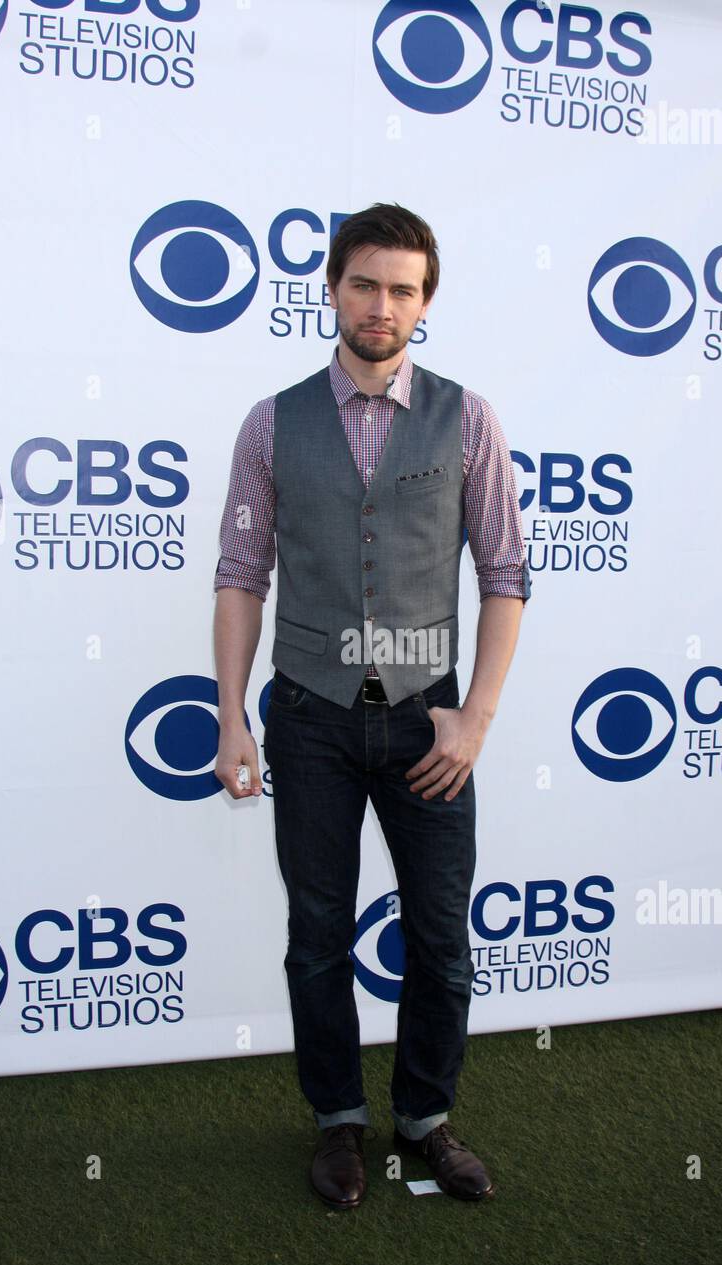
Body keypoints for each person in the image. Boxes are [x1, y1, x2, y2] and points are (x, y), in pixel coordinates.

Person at [212, 202, 531, 1209]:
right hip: (305, 716)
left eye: (401, 288)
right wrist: (231, 718)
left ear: (423, 302)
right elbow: (239, 576)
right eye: (364, 283)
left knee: (439, 936)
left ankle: (427, 1117)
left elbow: (505, 575)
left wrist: (473, 717)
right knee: (317, 932)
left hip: (425, 720)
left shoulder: (466, 416)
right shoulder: (271, 421)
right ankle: (338, 1122)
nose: (381, 304)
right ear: (332, 290)